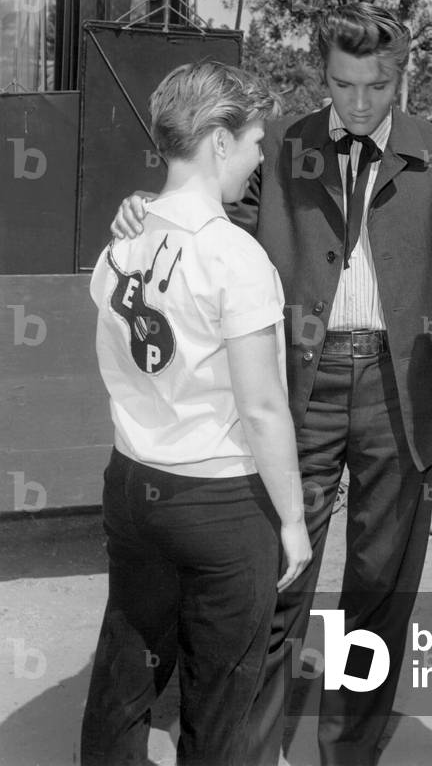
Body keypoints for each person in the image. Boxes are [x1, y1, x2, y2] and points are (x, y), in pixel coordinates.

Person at [111, 3, 432, 766]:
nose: (359, 103)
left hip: (403, 389)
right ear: (322, 75)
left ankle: (347, 751)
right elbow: (211, 214)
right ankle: (250, 746)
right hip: (294, 382)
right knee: (276, 574)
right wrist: (151, 212)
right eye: (342, 84)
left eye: (377, 85)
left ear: (405, 75)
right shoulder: (286, 144)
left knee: (378, 586)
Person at [83, 62, 311, 766]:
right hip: (220, 505)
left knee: (126, 670)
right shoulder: (236, 259)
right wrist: (295, 522)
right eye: (253, 141)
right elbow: (265, 407)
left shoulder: (118, 247)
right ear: (217, 140)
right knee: (221, 701)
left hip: (134, 487)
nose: (258, 157)